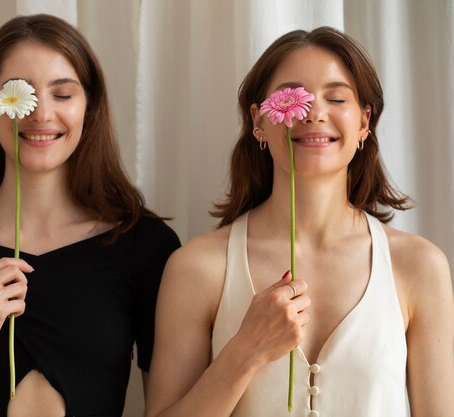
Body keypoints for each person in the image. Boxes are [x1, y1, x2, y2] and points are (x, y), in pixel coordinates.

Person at [145, 26, 454, 417]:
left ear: (363, 123)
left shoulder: (419, 266)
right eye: (293, 97)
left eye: (336, 97)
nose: (313, 112)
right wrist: (246, 350)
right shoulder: (198, 266)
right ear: (259, 121)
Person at [0, 14, 180, 417]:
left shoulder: (144, 246)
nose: (39, 114)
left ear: (88, 108)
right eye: (19, 94)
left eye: (62, 94)